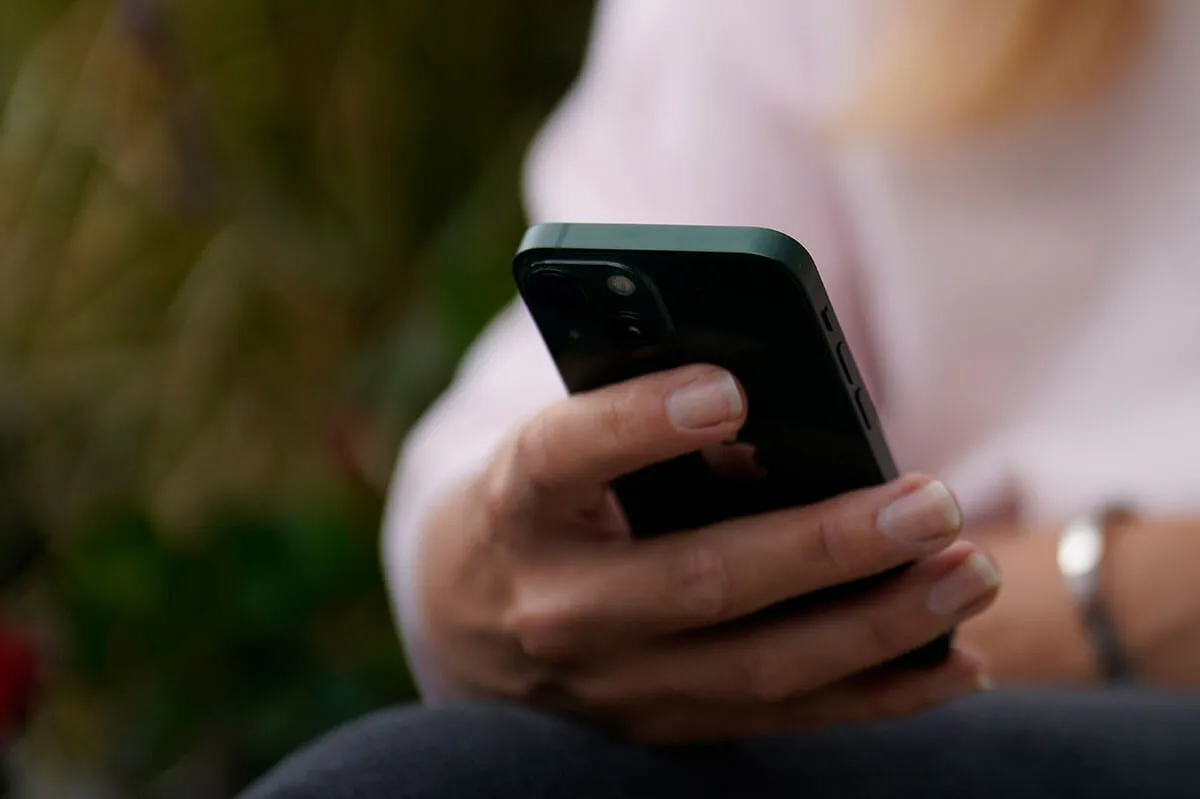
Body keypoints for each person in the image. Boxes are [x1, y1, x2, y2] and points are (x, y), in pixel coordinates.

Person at [243, 1, 1200, 796]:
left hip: (976, 700)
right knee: (412, 781)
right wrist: (490, 576)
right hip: (919, 696)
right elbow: (511, 431)